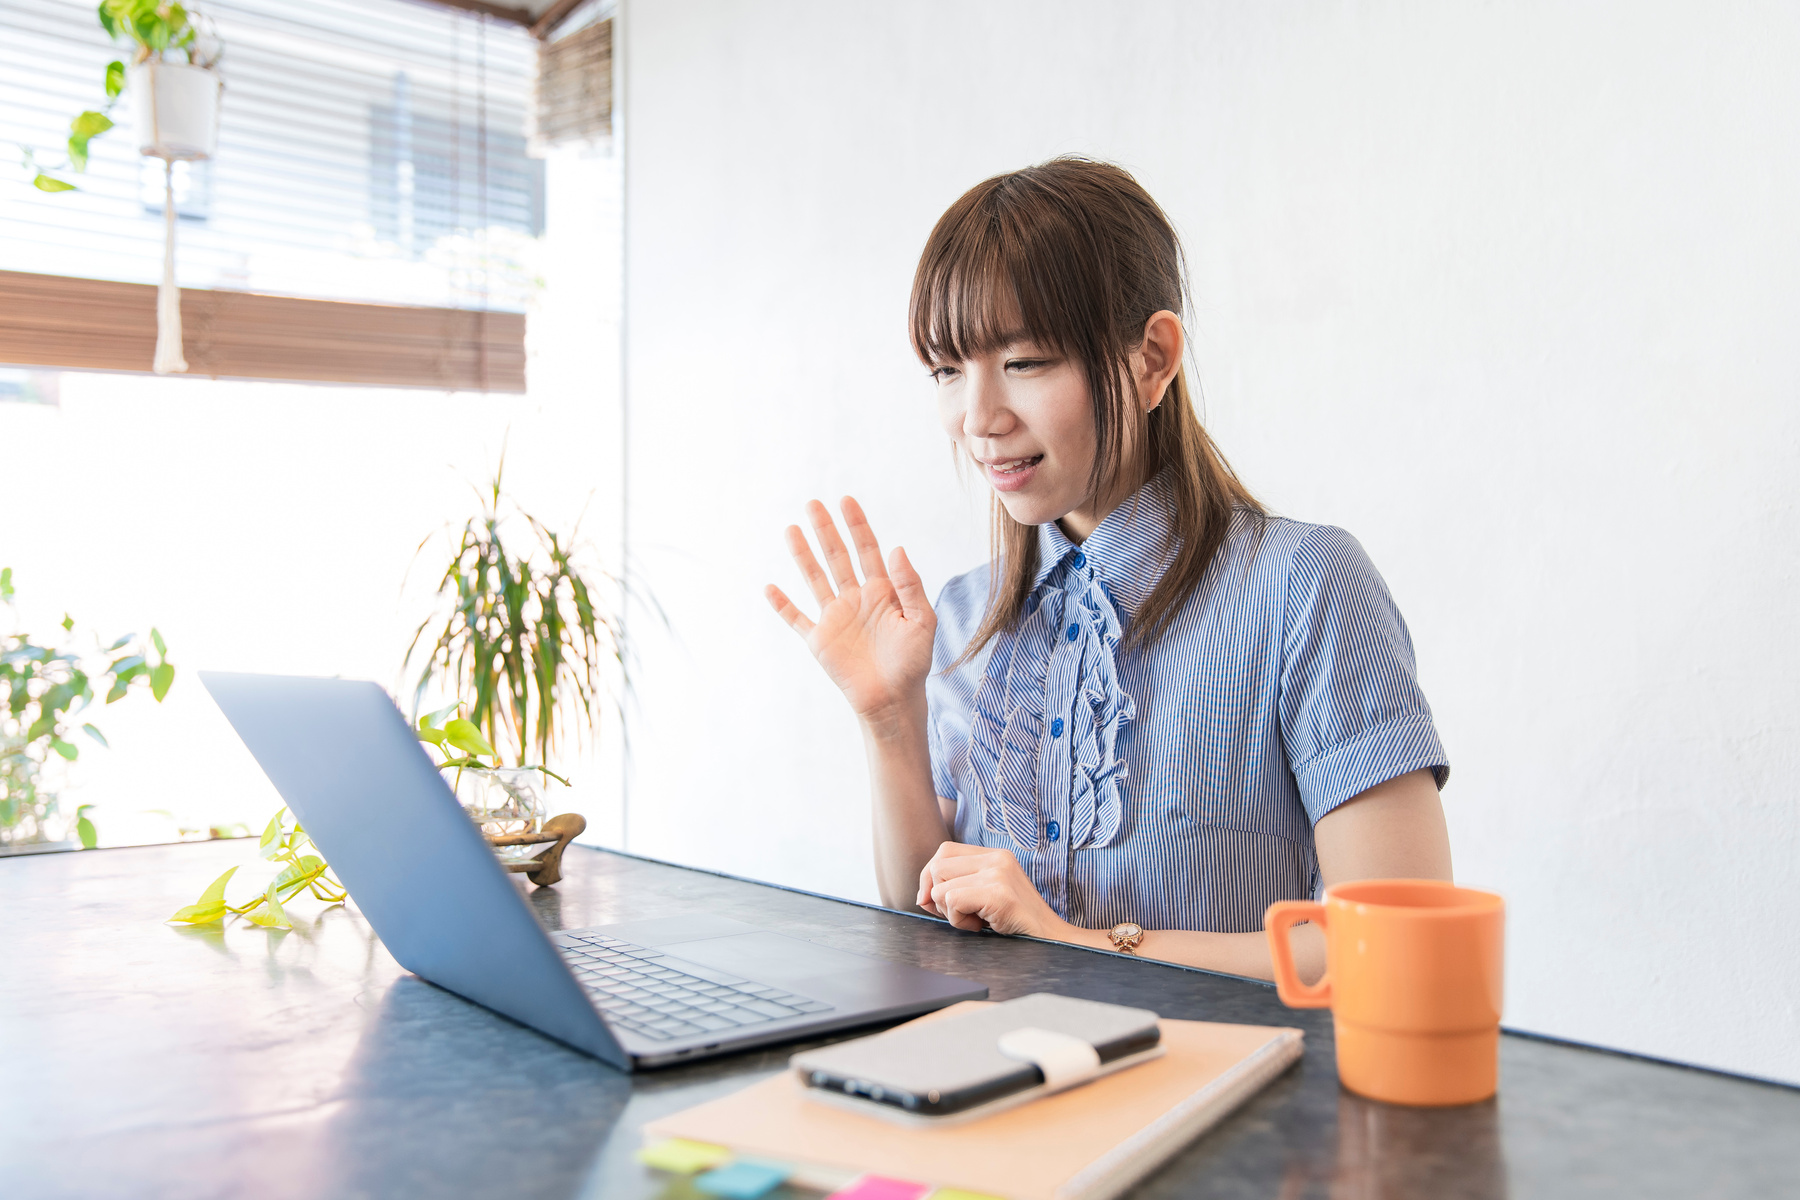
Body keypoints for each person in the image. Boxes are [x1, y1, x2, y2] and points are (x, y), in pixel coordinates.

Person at [764, 157, 1451, 982]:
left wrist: (1073, 940)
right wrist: (888, 721)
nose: (977, 418)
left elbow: (1394, 951)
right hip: (1001, 1087)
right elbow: (922, 928)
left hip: (1229, 1101)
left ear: (1153, 358)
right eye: (948, 370)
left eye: (1024, 362)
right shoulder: (960, 613)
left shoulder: (1304, 585)